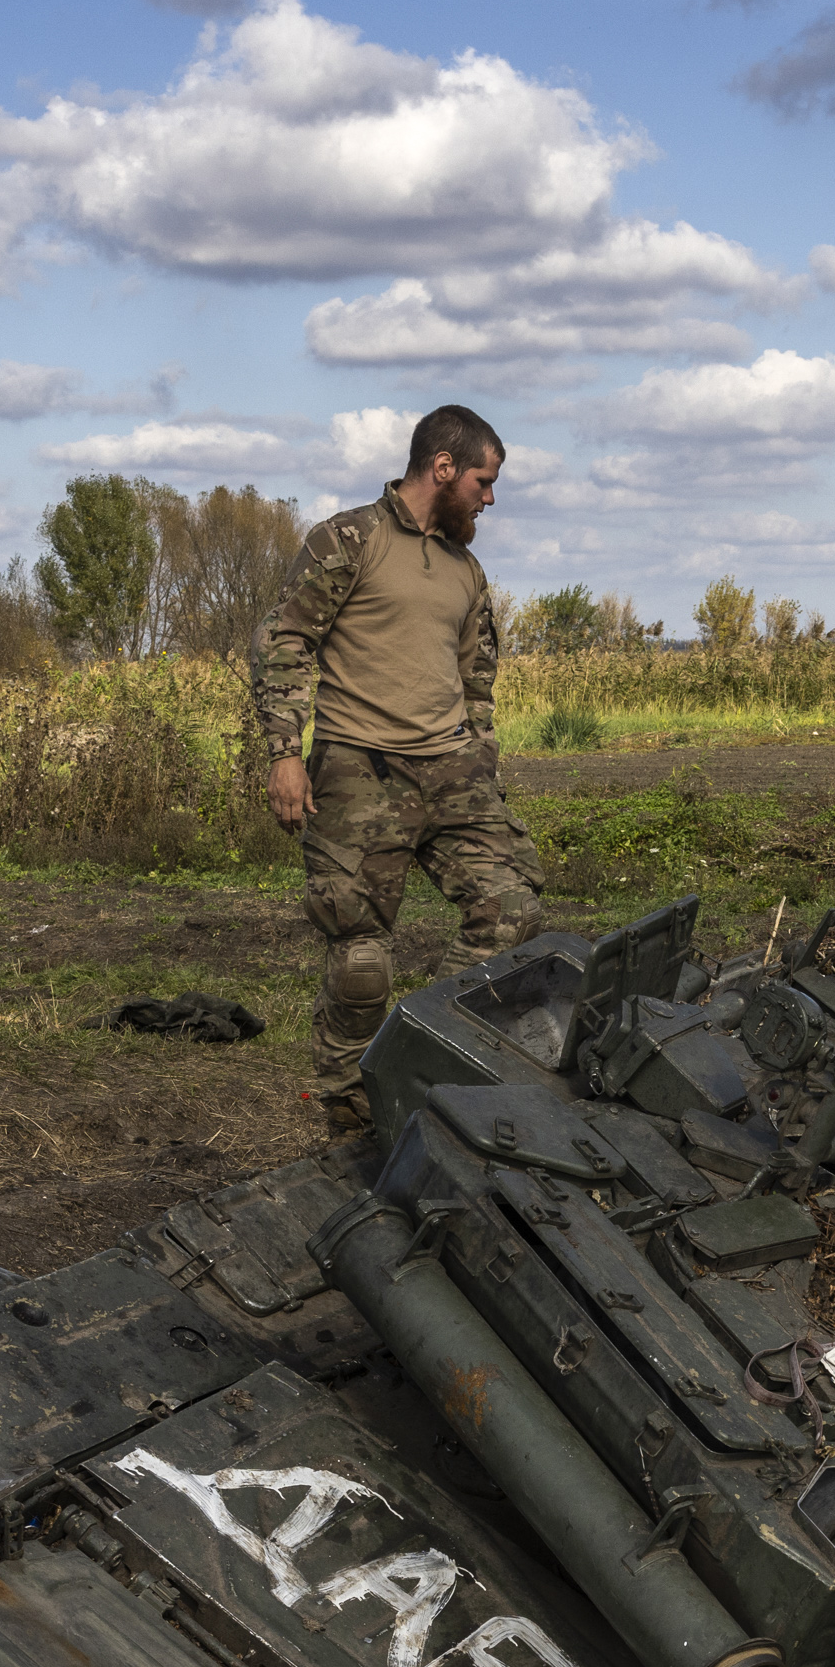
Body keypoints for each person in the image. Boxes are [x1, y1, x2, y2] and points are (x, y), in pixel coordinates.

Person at [252, 403, 540, 1137]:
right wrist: (285, 755)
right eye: (483, 481)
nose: (490, 498)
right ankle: (353, 1121)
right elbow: (287, 641)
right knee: (361, 964)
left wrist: (481, 764)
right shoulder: (348, 540)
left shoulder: (466, 569)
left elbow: (476, 683)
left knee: (511, 912)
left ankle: (426, 1060)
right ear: (443, 468)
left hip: (453, 772)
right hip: (359, 771)